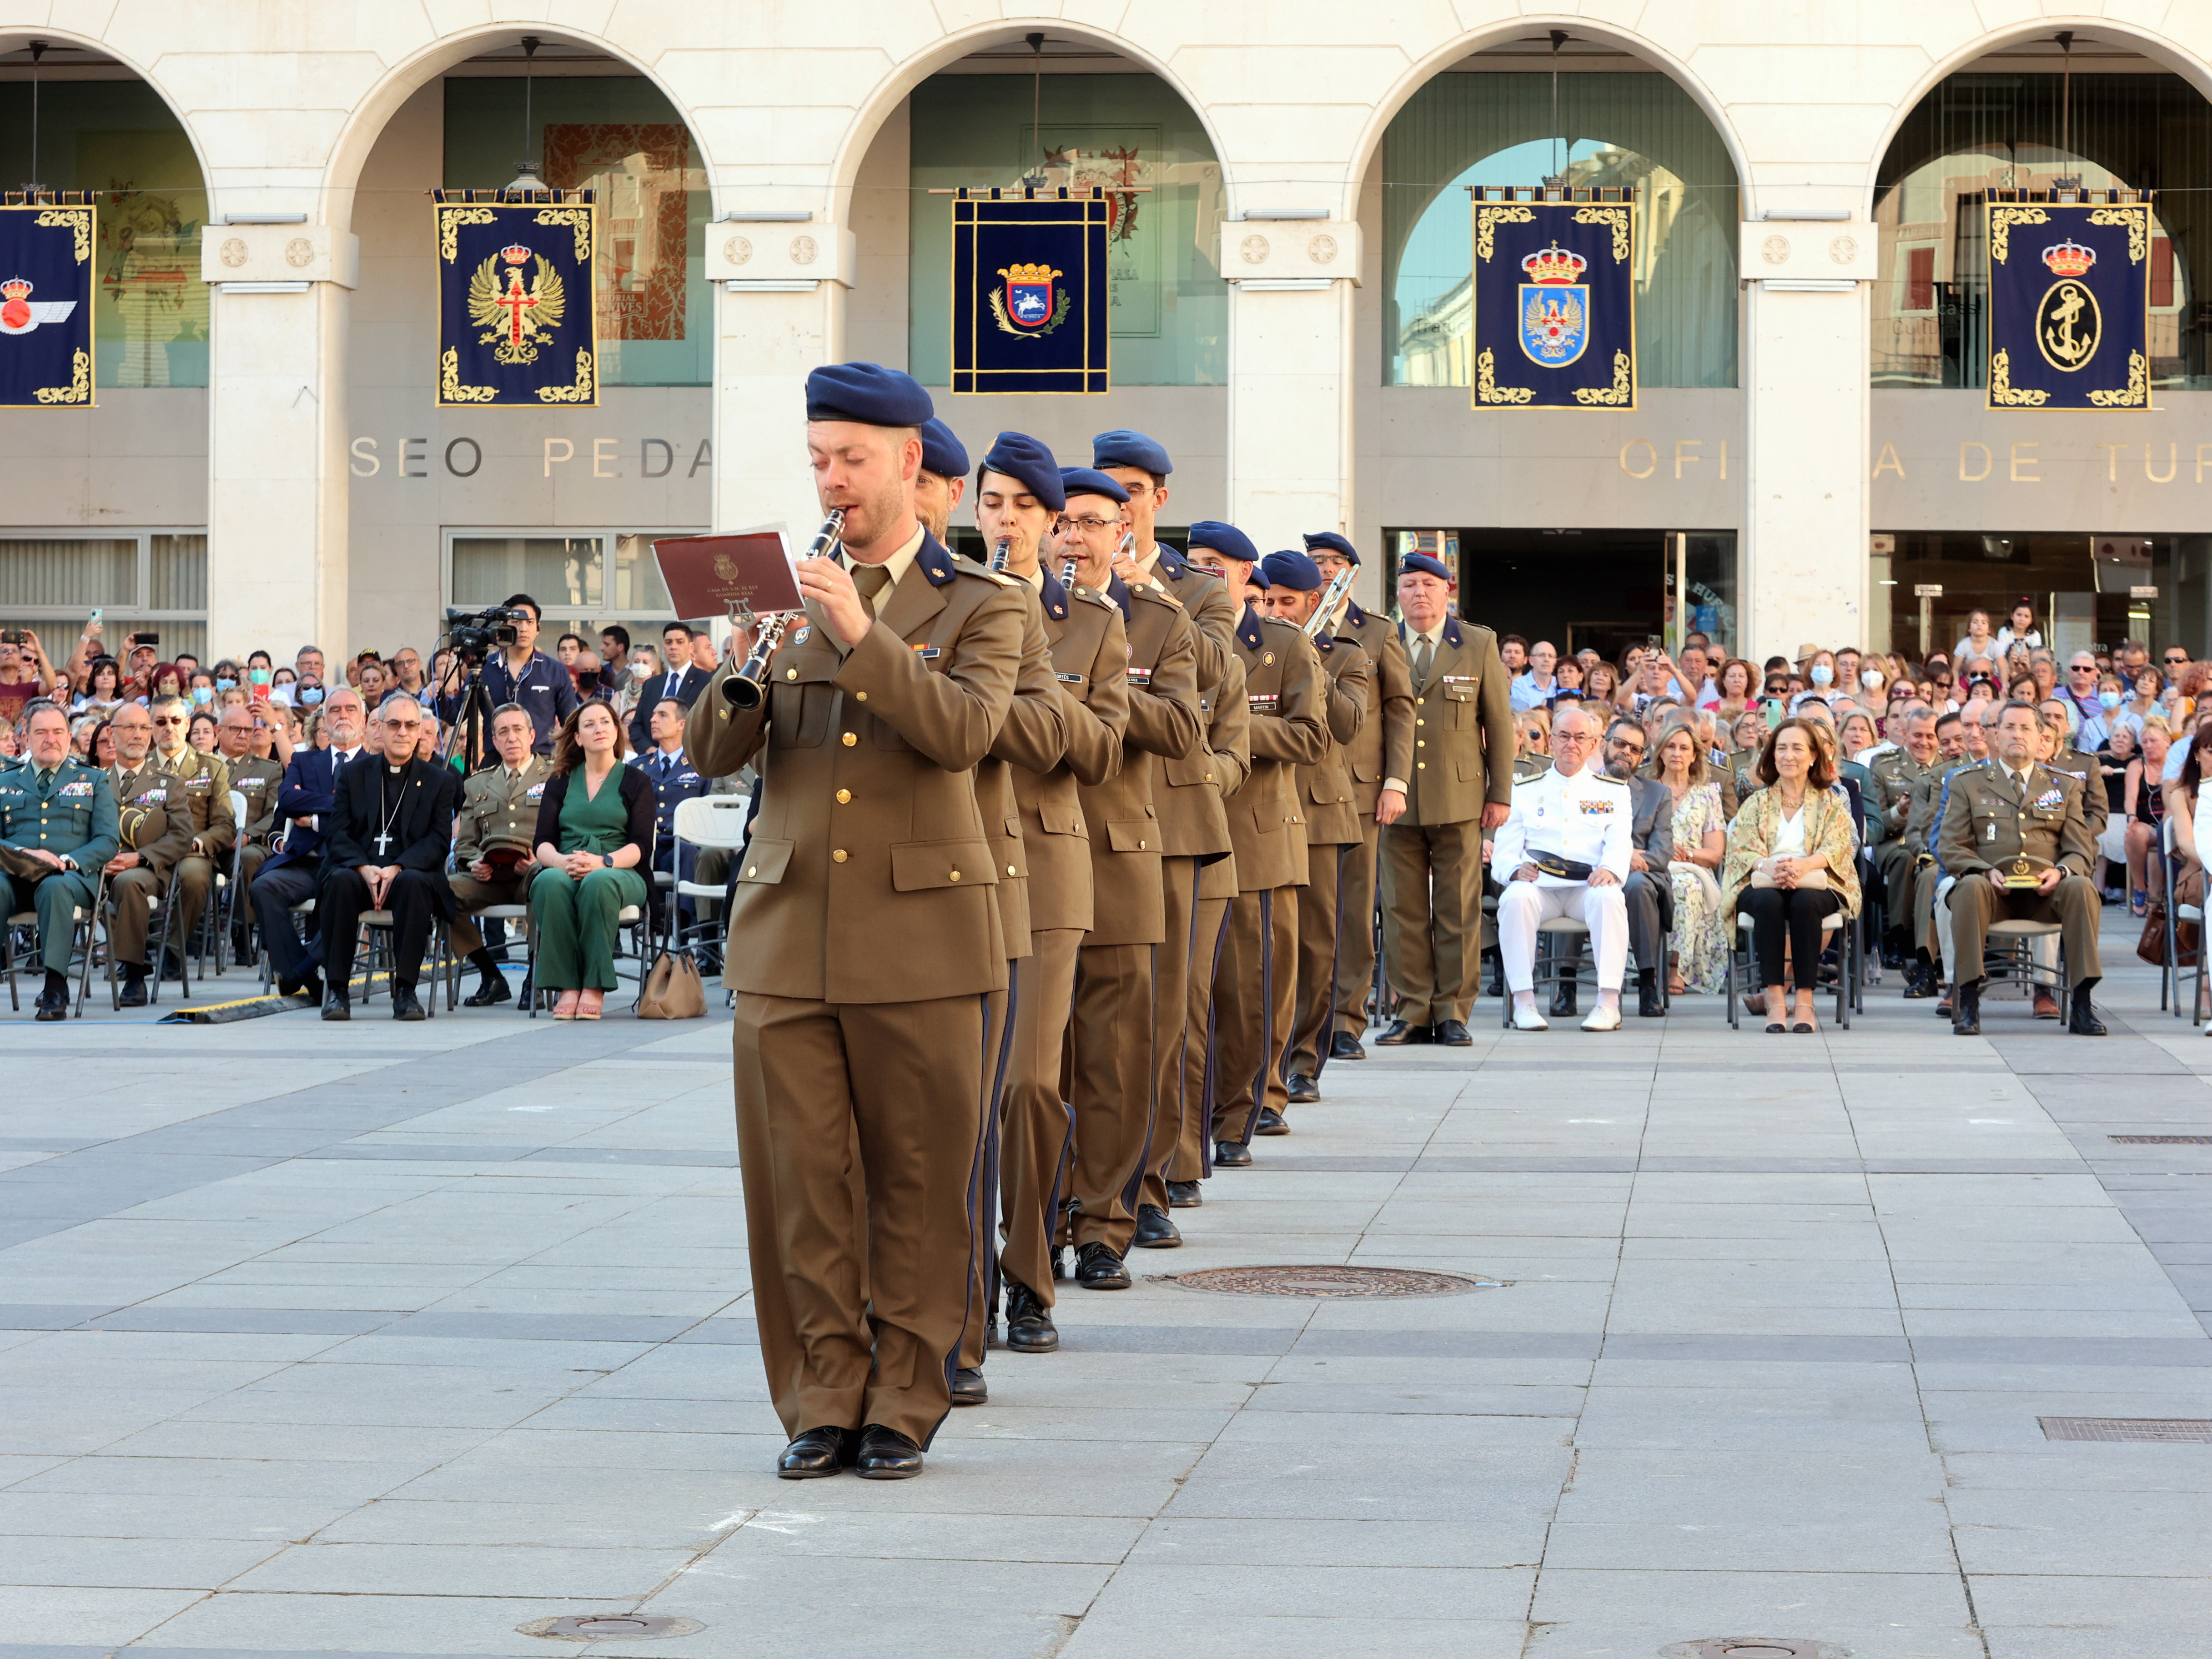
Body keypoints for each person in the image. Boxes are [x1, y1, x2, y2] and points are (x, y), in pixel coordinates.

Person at [685, 361, 1026, 1483]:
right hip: (787, 929)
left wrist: (861, 637)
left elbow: (967, 732)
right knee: (799, 1182)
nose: (831, 481)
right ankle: (820, 1393)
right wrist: (737, 663)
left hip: (922, 935)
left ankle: (903, 1395)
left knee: (918, 1180)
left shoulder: (982, 606)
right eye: (819, 460)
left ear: (909, 467)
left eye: (851, 460)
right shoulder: (788, 602)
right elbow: (711, 755)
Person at [964, 428, 1129, 1357]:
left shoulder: (1096, 625)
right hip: (954, 865)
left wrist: (1025, 670)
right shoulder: (942, 606)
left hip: (1048, 871)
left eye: (1028, 509)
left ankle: (1027, 1274)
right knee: (957, 1091)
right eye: (994, 505)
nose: (1010, 522)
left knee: (1029, 1083)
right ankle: (957, 1284)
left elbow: (1101, 750)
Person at [1058, 464, 1202, 1264]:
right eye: (1064, 521)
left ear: (1125, 532)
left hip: (1118, 848)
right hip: (1031, 851)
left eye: (1091, 522)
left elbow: (1183, 725)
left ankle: (1109, 1218)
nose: (1074, 536)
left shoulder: (1157, 616)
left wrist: (1097, 692)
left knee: (1117, 1052)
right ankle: (1043, 1216)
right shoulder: (1012, 611)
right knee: (1036, 1063)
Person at [1194, 530, 1320, 1162]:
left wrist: (1238, 729)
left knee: (1254, 988)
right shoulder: (1176, 634)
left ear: (1248, 574)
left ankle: (1247, 1107)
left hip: (1257, 838)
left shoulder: (1281, 644)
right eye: (1194, 566)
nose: (1203, 576)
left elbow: (1311, 737)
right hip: (1187, 830)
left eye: (1215, 567)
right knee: (1196, 994)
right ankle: (1200, 1112)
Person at [1377, 551, 1513, 1044]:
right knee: (1402, 910)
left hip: (1460, 796)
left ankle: (1453, 1012)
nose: (1418, 594)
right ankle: (1412, 1010)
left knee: (1457, 909)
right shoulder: (1382, 639)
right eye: (1409, 585)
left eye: (1428, 585)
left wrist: (1500, 794)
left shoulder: (1476, 643)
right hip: (1394, 798)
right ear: (1398, 594)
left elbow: (1498, 723)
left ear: (1446, 591)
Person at [1300, 532, 1413, 1066]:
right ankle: (1305, 1017)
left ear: (1352, 572)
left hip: (1361, 790)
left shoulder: (1377, 631)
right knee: (1308, 910)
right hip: (1301, 785)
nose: (1324, 570)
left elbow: (1399, 709)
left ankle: (1345, 1019)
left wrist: (1396, 782)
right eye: (1316, 562)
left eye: (1333, 562)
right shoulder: (1294, 621)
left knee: (1351, 908)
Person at [1264, 549, 1371, 1103]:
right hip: (1262, 810)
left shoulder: (1344, 655)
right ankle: (1266, 1061)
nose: (1277, 611)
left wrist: (1308, 662)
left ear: (1312, 602)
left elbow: (1350, 725)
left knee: (1315, 946)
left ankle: (1305, 1058)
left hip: (1320, 813)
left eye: (1288, 602)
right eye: (1270, 601)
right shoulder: (1252, 647)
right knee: (1271, 948)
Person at [1941, 700, 2105, 1037]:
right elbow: (1952, 846)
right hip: (1993, 893)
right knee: (1968, 887)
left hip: (2047, 895)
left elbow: (2080, 850)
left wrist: (2061, 872)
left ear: (2041, 736)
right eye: (2010, 727)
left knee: (2082, 887)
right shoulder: (1966, 783)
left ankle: (2083, 1004)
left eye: (2026, 728)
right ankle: (1969, 1003)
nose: (2018, 734)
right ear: (1996, 735)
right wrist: (1983, 871)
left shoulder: (2065, 785)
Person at [315, 693, 458, 1021]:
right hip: (359, 871)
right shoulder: (354, 775)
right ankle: (337, 990)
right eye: (394, 724)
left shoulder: (440, 780)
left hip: (409, 872)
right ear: (378, 728)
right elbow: (338, 834)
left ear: (421, 730)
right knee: (339, 880)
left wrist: (397, 867)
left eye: (411, 725)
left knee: (414, 883)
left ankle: (406, 991)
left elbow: (438, 841)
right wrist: (365, 868)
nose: (403, 733)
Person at [1491, 703, 1633, 1031]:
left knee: (1611, 898)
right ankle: (1524, 1002)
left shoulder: (1613, 792)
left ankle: (1608, 1003)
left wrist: (1611, 870)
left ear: (1594, 744)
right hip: (1541, 887)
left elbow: (1619, 842)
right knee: (1515, 898)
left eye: (1581, 737)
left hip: (1588, 887)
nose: (1572, 744)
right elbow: (1504, 852)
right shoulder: (1525, 791)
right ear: (1551, 741)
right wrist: (1515, 870)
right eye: (1565, 736)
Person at [1723, 719, 1862, 1034]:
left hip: (1816, 879)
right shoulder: (1757, 802)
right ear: (1772, 756)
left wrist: (1803, 867)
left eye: (1797, 748)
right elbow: (1742, 847)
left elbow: (1839, 846)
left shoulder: (1831, 802)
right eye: (1781, 748)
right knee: (1769, 902)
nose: (1788, 756)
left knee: (1805, 902)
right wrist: (1769, 867)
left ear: (1813, 755)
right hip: (1764, 879)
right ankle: (1775, 1000)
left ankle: (1804, 1001)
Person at [526, 700, 653, 1021]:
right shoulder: (560, 780)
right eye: (590, 724)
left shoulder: (637, 781)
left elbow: (641, 845)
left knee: (598, 882)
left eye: (606, 722)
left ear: (616, 730)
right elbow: (542, 842)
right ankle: (568, 985)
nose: (599, 729)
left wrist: (603, 862)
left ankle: (594, 985)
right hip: (566, 863)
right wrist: (560, 863)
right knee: (549, 883)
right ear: (578, 738)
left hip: (620, 868)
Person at [0, 702, 117, 1018]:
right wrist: (23, 854)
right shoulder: (5, 780)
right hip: (14, 876)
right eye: (41, 732)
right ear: (26, 736)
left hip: (70, 879)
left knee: (55, 888)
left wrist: (67, 860)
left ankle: (55, 987)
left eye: (58, 732)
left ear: (69, 737)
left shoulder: (93, 780)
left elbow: (108, 841)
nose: (50, 739)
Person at [252, 687, 368, 1002]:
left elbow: (366, 819)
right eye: (335, 710)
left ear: (365, 719)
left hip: (352, 867)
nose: (342, 715)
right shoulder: (305, 761)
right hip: (306, 862)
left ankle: (299, 971)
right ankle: (302, 974)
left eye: (350, 709)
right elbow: (289, 801)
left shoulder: (376, 765)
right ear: (325, 721)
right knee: (264, 886)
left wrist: (316, 818)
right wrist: (337, 802)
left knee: (339, 895)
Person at [448, 704, 549, 1006]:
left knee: (547, 885)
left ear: (532, 735)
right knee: (440, 891)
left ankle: (536, 977)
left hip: (535, 875)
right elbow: (464, 843)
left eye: (518, 730)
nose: (511, 738)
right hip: (490, 878)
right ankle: (490, 975)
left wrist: (541, 862)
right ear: (494, 741)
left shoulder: (556, 776)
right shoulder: (477, 784)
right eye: (503, 732)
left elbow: (565, 833)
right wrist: (473, 862)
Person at [101, 703, 198, 1005]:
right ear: (111, 734)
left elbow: (182, 836)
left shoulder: (169, 784)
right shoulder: (94, 781)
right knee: (59, 885)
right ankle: (56, 985)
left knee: (129, 883)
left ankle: (134, 975)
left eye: (144, 728)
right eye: (129, 728)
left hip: (147, 870)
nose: (138, 735)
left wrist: (140, 857)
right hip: (98, 866)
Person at [146, 693, 235, 979]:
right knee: (122, 880)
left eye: (175, 720)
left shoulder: (212, 767)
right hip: (150, 852)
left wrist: (199, 843)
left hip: (193, 852)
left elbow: (225, 825)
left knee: (195, 877)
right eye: (160, 721)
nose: (168, 727)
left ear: (187, 724)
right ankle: (133, 955)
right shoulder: (139, 768)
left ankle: (172, 952)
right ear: (151, 727)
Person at [1648, 718, 1728, 994]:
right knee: (1654, 886)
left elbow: (1716, 853)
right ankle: (1649, 965)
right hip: (1651, 865)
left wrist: (1689, 854)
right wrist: (1663, 852)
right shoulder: (1644, 790)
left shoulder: (1708, 795)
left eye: (1684, 748)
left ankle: (1676, 969)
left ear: (1695, 755)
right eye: (1670, 746)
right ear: (1660, 752)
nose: (1676, 753)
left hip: (1690, 869)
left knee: (1686, 887)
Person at [471, 593, 578, 757]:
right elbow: (455, 715)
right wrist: (440, 691)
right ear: (503, 627)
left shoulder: (555, 670)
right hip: (495, 761)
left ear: (538, 629)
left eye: (530, 623)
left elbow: (571, 724)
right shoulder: (484, 667)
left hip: (540, 762)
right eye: (516, 622)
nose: (523, 629)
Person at [215, 705, 282, 964]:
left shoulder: (268, 770)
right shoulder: (200, 766)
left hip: (246, 845)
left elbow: (275, 814)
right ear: (219, 731)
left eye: (249, 729)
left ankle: (243, 934)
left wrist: (248, 835)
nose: (244, 735)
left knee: (250, 857)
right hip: (209, 845)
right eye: (236, 729)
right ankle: (182, 945)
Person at [631, 622, 710, 754]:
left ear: (691, 647)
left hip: (691, 761)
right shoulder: (652, 684)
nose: (673, 647)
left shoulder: (706, 681)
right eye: (669, 643)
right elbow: (636, 726)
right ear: (663, 648)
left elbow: (709, 727)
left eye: (680, 642)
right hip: (653, 762)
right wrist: (650, 751)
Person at [2124, 715, 2172, 915]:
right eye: (2145, 742)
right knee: (2135, 833)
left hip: (2170, 824)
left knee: (2165, 833)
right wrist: (2131, 816)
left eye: (2154, 741)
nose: (2148, 746)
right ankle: (2140, 889)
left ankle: (2159, 895)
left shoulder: (2176, 764)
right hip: (2147, 824)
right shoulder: (2137, 766)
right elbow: (2130, 796)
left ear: (2167, 742)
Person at [0, 628, 62, 729]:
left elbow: (53, 685)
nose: (10, 653)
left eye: (14, 651)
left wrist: (39, 651)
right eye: (5, 651)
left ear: (21, 662)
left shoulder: (31, 688)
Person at [1511, 639, 1561, 710]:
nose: (1547, 659)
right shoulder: (1520, 684)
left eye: (1551, 656)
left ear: (1555, 662)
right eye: (1542, 655)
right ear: (1531, 661)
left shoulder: (1560, 683)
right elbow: (1524, 714)